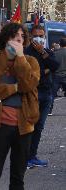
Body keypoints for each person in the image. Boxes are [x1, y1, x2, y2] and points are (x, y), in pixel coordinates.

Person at [0, 23, 40, 190]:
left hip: (24, 126)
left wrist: (20, 58)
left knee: (18, 178)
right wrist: (13, 88)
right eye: (14, 36)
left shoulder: (31, 62)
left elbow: (29, 84)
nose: (19, 39)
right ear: (5, 39)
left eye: (22, 36)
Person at [24, 25, 60, 167]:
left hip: (47, 93)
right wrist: (45, 69)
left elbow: (55, 66)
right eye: (36, 35)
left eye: (42, 35)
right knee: (29, 126)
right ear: (31, 37)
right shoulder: (27, 53)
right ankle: (24, 157)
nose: (40, 38)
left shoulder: (47, 51)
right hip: (33, 93)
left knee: (39, 127)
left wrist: (44, 56)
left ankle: (32, 156)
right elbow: (32, 73)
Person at [49, 38, 66, 114]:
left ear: (60, 44)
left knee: (52, 94)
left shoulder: (55, 53)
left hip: (56, 76)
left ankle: (49, 110)